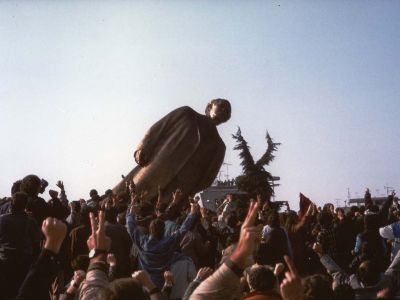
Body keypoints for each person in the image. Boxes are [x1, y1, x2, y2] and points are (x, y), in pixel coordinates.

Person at [113, 99, 231, 204]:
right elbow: (158, 128)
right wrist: (142, 148)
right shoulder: (186, 113)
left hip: (176, 190)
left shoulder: (219, 147)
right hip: (153, 170)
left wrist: (189, 193)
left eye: (227, 110)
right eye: (221, 106)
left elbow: (207, 179)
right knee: (121, 199)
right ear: (210, 106)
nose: (224, 109)